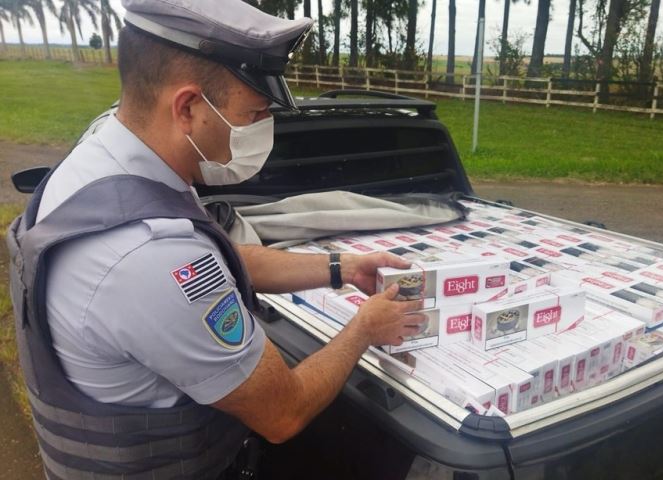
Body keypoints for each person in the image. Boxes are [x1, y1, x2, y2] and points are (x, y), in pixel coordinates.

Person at [7, 1, 425, 478]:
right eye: (254, 114)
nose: (262, 130)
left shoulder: (109, 154)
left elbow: (223, 259)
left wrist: (341, 267)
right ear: (186, 107)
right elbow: (283, 413)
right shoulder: (147, 257)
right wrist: (365, 328)